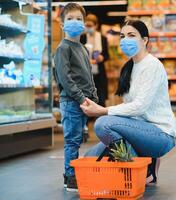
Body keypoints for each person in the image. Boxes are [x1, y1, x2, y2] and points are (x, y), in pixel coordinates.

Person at [80, 20, 176, 185]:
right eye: (123, 36)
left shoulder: (152, 65)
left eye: (132, 35)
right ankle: (148, 163)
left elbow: (139, 107)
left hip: (160, 134)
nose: (126, 40)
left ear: (144, 40)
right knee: (88, 159)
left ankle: (138, 170)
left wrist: (102, 110)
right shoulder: (129, 67)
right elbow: (128, 110)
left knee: (102, 124)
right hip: (138, 131)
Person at [53, 3, 98, 192]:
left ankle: (73, 173)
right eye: (70, 18)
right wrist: (81, 98)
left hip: (83, 101)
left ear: (85, 23)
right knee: (72, 140)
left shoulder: (82, 48)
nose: (75, 22)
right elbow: (65, 78)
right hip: (72, 101)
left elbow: (87, 73)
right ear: (62, 24)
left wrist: (93, 95)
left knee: (78, 138)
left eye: (79, 19)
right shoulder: (63, 48)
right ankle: (70, 176)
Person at [80, 14, 109, 106]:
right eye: (86, 25)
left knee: (100, 96)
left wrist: (102, 58)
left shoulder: (103, 38)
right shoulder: (82, 38)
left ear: (96, 25)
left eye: (90, 26)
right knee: (87, 96)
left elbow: (107, 55)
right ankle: (89, 116)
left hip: (99, 73)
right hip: (86, 73)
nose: (88, 28)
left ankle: (100, 117)